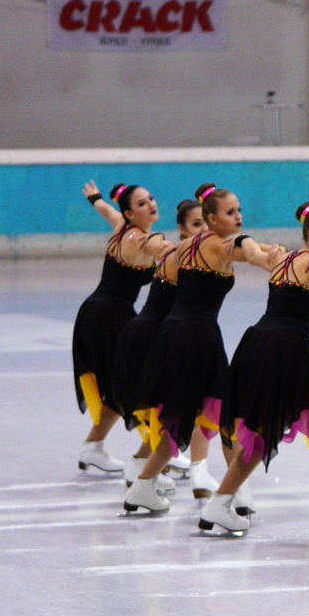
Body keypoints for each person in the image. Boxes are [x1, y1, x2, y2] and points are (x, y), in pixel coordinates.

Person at [199, 203, 309, 534]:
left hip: (259, 342)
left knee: (264, 430)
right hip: (286, 349)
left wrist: (247, 240)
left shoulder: (282, 258)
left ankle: (220, 501)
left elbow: (252, 251)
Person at [123, 184, 282, 514]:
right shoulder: (224, 246)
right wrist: (279, 259)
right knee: (219, 416)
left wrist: (272, 249)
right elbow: (254, 255)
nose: (238, 216)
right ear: (212, 218)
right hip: (197, 337)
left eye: (239, 210)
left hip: (176, 333)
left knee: (187, 417)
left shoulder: (188, 245)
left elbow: (250, 249)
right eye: (230, 212)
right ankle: (234, 493)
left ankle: (144, 486)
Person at [71, 182, 171, 476]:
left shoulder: (120, 224)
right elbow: (158, 248)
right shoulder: (140, 239)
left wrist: (95, 198)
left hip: (97, 311)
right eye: (141, 203)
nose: (151, 204)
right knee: (135, 382)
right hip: (109, 317)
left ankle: (94, 447)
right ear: (129, 213)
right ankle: (156, 448)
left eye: (150, 198)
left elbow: (106, 210)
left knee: (121, 386)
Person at [111, 198, 206, 499]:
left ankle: (147, 465)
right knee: (178, 407)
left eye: (206, 222)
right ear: (181, 229)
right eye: (196, 224)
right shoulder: (181, 253)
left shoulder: (201, 253)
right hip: (150, 336)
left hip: (157, 334)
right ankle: (150, 469)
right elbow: (154, 243)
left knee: (173, 408)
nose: (203, 229)